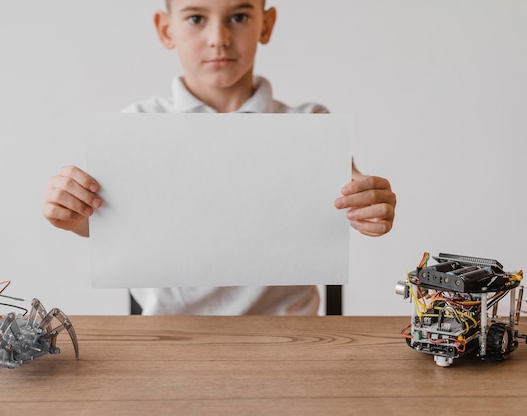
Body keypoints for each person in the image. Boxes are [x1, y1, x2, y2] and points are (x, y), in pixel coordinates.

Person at [42, 0, 396, 315]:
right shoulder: (137, 126)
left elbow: (352, 200)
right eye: (196, 18)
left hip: (292, 339)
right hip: (168, 339)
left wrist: (370, 206)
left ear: (266, 25)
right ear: (167, 30)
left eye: (239, 16)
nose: (219, 38)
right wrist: (71, 211)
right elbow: (106, 224)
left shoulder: (311, 124)